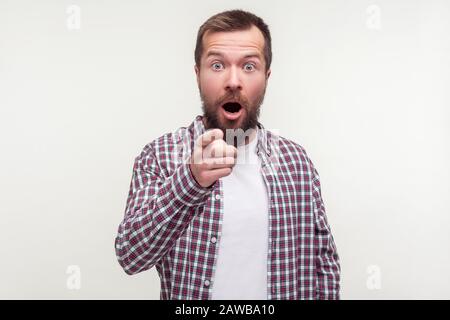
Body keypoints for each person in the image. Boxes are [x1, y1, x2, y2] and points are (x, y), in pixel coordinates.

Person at [115, 9, 340, 300]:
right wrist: (191, 181)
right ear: (198, 73)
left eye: (249, 66)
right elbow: (131, 256)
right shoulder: (160, 156)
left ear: (266, 76)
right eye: (218, 65)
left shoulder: (296, 162)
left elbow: (323, 263)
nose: (233, 81)